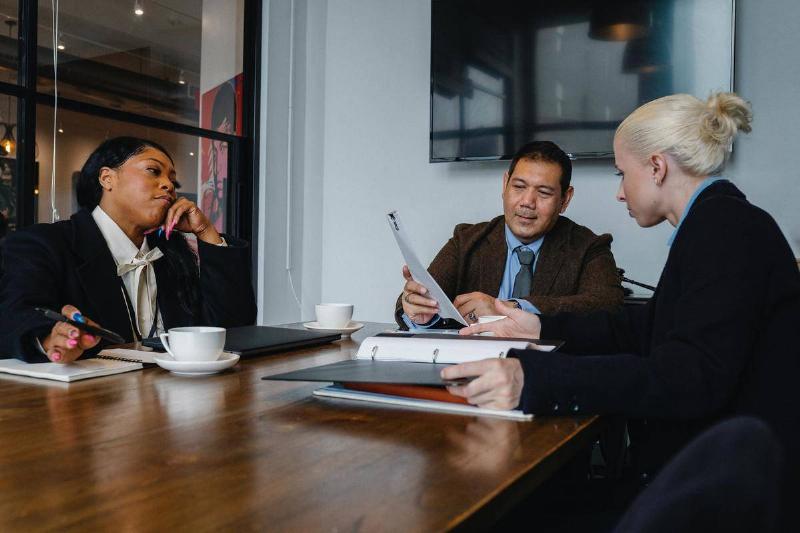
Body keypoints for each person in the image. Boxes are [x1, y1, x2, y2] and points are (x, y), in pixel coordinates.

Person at [442, 93, 800, 525]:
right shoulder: (720, 223)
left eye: (621, 173)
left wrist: (531, 378)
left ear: (656, 167)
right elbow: (648, 326)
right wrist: (539, 325)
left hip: (720, 499)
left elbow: (686, 377)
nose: (618, 192)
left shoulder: (724, 231)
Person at [0, 136, 257, 363]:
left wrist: (206, 233)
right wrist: (48, 336)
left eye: (172, 180)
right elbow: (13, 315)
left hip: (180, 403)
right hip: (87, 405)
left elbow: (235, 328)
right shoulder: (43, 243)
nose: (168, 185)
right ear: (107, 178)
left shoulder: (171, 257)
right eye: (153, 171)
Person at [396, 140, 623, 328]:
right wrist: (420, 309)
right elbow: (423, 296)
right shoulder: (466, 240)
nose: (527, 202)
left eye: (543, 193)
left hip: (544, 373)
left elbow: (607, 306)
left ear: (565, 199)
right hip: (473, 369)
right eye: (519, 187)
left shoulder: (589, 247)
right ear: (505, 185)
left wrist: (509, 308)